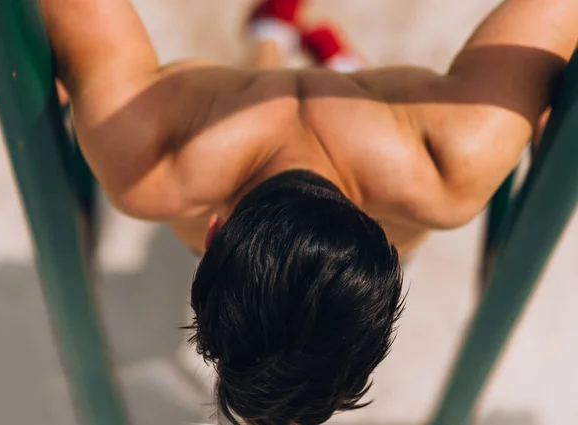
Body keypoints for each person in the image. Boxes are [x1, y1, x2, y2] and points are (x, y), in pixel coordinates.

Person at [42, 0, 578, 423]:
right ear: (212, 237)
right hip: (317, 118)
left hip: (370, 129)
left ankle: (276, 41)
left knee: (291, 77)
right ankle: (287, 45)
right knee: (319, 82)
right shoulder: (142, 156)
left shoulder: (451, 160)